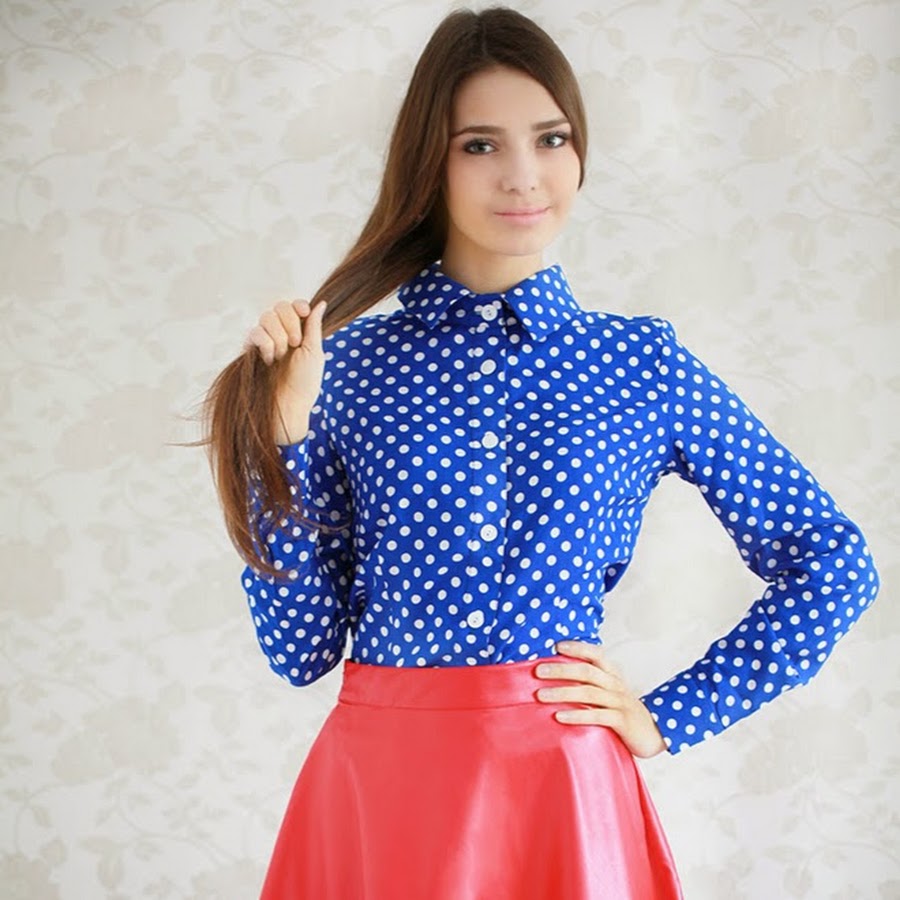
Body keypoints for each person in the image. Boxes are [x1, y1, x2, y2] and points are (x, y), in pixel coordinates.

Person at [203, 7, 880, 899]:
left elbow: (833, 562)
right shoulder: (342, 369)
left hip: (562, 791)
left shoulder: (640, 363)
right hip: (383, 792)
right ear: (428, 163)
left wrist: (668, 716)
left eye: (551, 138)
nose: (524, 175)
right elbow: (299, 651)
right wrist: (282, 435)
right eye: (480, 145)